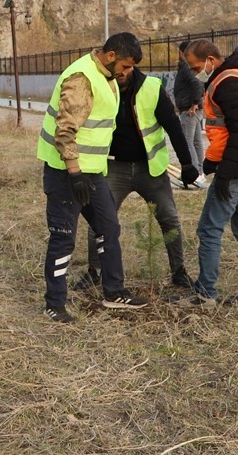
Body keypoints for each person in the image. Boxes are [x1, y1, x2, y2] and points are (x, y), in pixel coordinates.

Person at [36, 32, 150, 322]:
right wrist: (75, 174)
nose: (128, 72)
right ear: (110, 56)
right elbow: (65, 131)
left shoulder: (107, 77)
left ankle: (114, 292)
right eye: (125, 66)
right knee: (63, 239)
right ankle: (55, 304)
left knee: (109, 228)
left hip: (93, 172)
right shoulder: (81, 79)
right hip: (67, 173)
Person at [76, 65, 200, 292]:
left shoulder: (152, 88)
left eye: (124, 68)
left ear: (131, 64)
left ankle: (179, 271)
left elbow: (173, 126)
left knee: (169, 218)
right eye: (115, 69)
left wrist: (186, 164)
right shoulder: (101, 88)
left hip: (150, 169)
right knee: (99, 221)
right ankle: (95, 272)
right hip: (114, 168)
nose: (119, 73)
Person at [176, 40, 238, 309]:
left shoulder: (229, 83)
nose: (195, 71)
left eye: (196, 66)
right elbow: (225, 132)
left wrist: (224, 174)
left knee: (209, 230)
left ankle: (205, 294)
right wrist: (209, 165)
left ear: (210, 59)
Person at [174, 39, 208, 188]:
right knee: (196, 141)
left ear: (182, 53)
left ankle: (194, 174)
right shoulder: (193, 67)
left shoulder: (187, 68)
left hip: (190, 110)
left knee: (188, 142)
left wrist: (194, 103)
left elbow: (196, 84)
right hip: (195, 108)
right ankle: (200, 173)